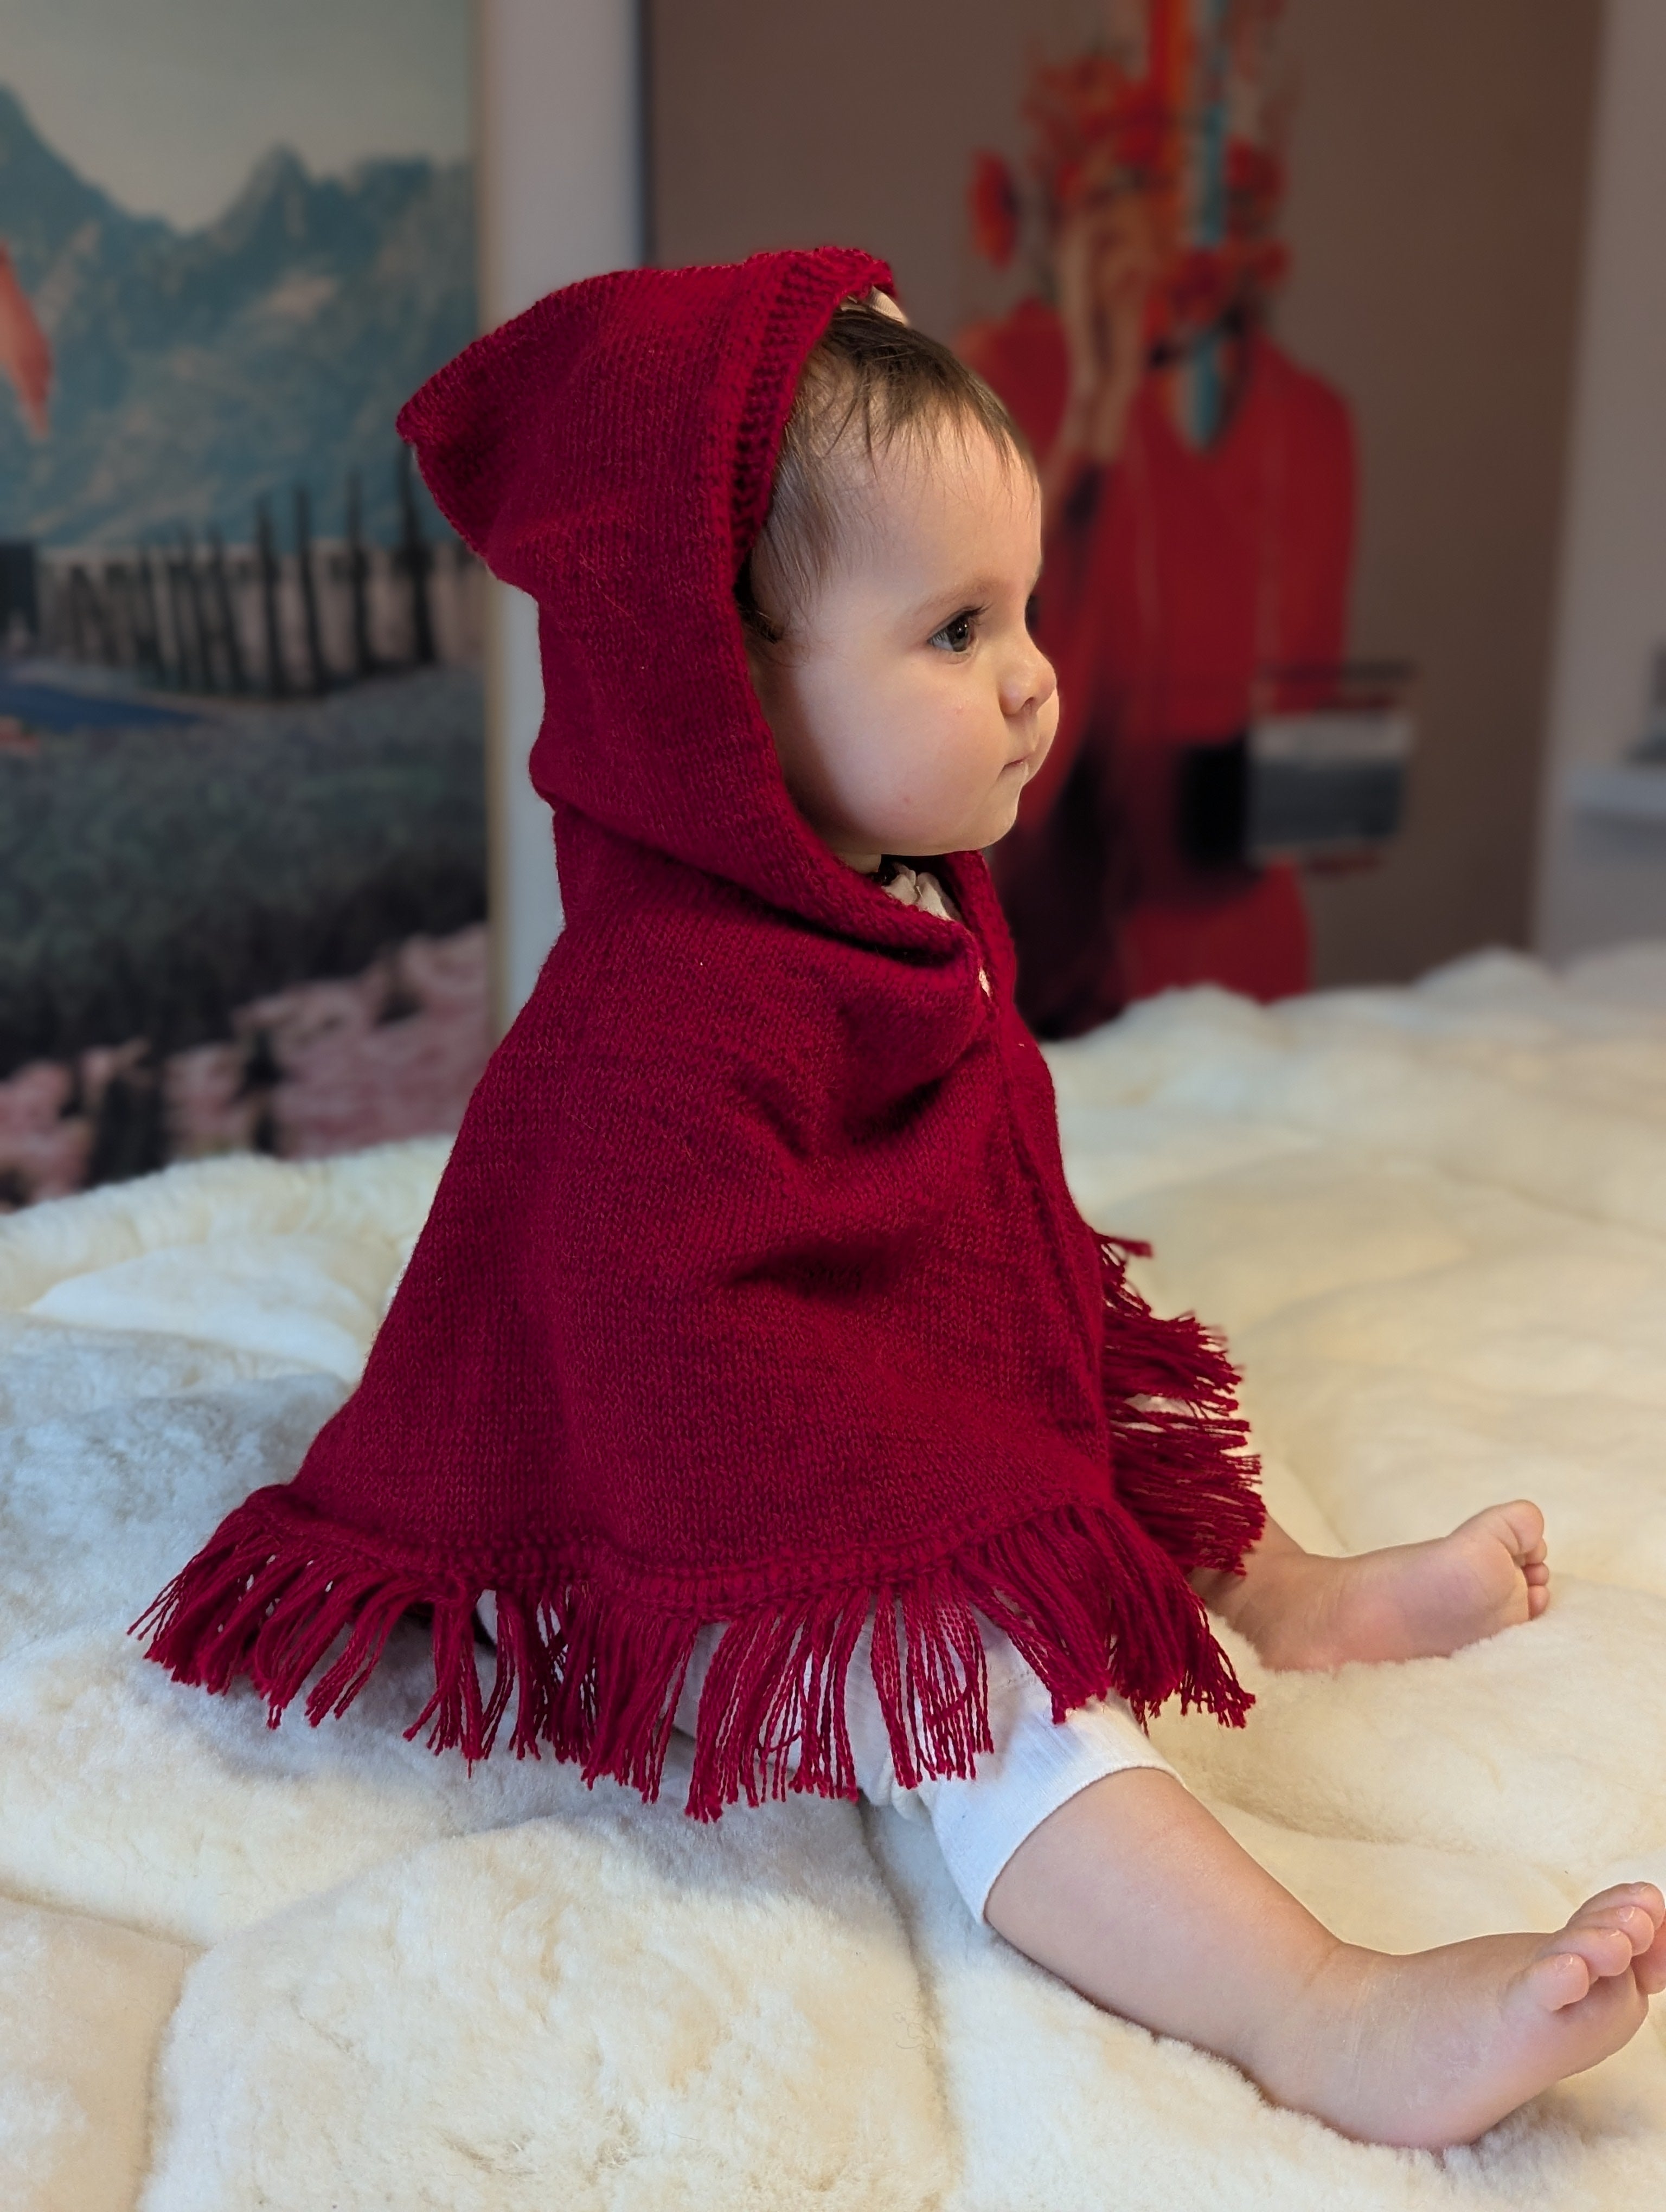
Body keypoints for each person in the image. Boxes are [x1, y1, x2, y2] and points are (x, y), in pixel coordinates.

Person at [139, 252, 1663, 2150]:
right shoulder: (658, 1016)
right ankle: (1314, 2006)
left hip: (845, 1417)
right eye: (951, 632)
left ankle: (1287, 1594)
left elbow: (970, 1237)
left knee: (1070, 1404)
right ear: (715, 686)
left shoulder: (898, 904)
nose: (1032, 679)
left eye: (1021, 610)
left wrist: (997, 1427)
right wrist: (924, 1499)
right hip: (690, 1532)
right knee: (1004, 1692)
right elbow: (652, 1348)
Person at [962, 47, 1355, 1036]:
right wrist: (1095, 413)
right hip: (1063, 1002)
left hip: (1262, 1008)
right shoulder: (998, 384)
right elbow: (996, 771)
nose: (1182, 234)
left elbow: (1318, 764)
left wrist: (1342, 791)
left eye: (1224, 197)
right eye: (1142, 189)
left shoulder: (1311, 426)